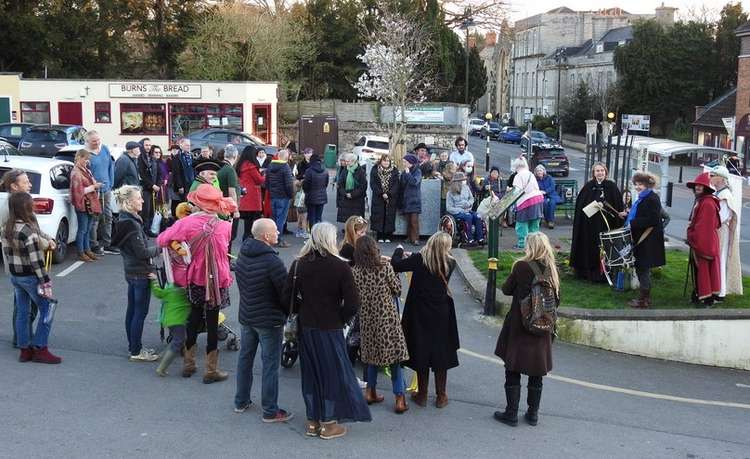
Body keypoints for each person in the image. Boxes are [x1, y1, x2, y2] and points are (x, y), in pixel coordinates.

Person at [281, 222, 371, 440]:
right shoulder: (340, 266)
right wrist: (340, 318)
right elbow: (352, 303)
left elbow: (286, 299)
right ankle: (329, 423)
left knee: (311, 374)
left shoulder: (299, 264)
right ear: (330, 239)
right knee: (332, 374)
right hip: (330, 327)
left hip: (306, 326)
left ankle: (312, 421)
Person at [157, 184, 236, 383]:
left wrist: (179, 247)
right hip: (218, 279)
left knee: (193, 316)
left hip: (196, 278)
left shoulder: (186, 224)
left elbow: (162, 240)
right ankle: (211, 370)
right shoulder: (226, 226)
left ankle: (189, 364)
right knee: (212, 321)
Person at [494, 232, 558, 427]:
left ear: (530, 247)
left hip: (519, 326)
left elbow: (506, 289)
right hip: (542, 325)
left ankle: (511, 413)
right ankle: (532, 414)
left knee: (512, 368)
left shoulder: (521, 266)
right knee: (536, 372)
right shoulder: (551, 270)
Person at [233, 218, 294, 422]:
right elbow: (285, 293)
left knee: (245, 359)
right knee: (270, 365)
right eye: (276, 230)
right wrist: (287, 314)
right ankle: (270, 410)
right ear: (266, 236)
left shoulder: (243, 253)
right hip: (269, 320)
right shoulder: (272, 261)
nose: (278, 233)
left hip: (247, 315)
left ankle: (241, 400)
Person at [391, 232, 459, 409]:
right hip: (442, 312)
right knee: (440, 352)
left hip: (419, 312)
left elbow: (396, 265)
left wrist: (399, 251)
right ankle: (441, 395)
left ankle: (422, 394)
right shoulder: (450, 262)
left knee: (421, 349)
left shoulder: (420, 259)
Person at [1, 192, 61, 364]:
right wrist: (46, 281)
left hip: (16, 276)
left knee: (22, 312)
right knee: (48, 308)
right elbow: (36, 262)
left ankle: (24, 349)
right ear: (26, 208)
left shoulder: (7, 228)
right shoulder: (28, 232)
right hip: (31, 277)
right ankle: (40, 348)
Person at [352, 236, 409, 414]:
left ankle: (370, 392)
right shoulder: (384, 267)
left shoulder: (355, 271)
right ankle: (399, 398)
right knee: (394, 358)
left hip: (367, 318)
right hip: (387, 318)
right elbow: (397, 289)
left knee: (370, 356)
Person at [110, 185, 160, 362]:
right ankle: (136, 350)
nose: (143, 201)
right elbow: (142, 252)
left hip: (130, 271)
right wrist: (162, 247)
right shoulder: (131, 223)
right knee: (139, 312)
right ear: (129, 202)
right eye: (139, 198)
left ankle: (134, 346)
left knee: (132, 311)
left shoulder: (124, 220)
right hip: (140, 273)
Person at [1, 170, 38, 349]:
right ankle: (22, 339)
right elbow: (8, 234)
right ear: (14, 186)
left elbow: (34, 228)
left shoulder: (23, 202)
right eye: (25, 182)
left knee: (26, 303)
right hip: (21, 264)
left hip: (27, 262)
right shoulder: (8, 206)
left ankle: (23, 337)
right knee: (26, 304)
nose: (30, 184)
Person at [569, 162, 624, 281]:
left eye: (602, 171)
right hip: (590, 226)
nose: (600, 173)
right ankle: (589, 273)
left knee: (605, 249)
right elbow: (581, 207)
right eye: (597, 171)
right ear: (593, 173)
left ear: (606, 172)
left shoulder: (612, 187)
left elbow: (618, 206)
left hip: (606, 225)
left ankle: (606, 273)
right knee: (591, 247)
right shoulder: (588, 187)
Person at [623, 172, 665, 308]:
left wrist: (633, 223)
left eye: (640, 184)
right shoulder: (643, 198)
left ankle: (644, 300)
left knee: (643, 268)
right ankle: (644, 298)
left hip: (647, 240)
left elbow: (653, 219)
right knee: (641, 268)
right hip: (642, 239)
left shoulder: (651, 198)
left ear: (647, 185)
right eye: (636, 184)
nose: (637, 187)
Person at [686, 172, 721, 307]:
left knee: (704, 271)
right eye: (696, 186)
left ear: (706, 188)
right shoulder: (703, 201)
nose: (697, 188)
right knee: (702, 271)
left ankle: (706, 298)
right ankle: (699, 294)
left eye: (700, 186)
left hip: (704, 242)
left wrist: (691, 236)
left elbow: (703, 227)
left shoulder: (707, 203)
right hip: (704, 241)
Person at [710, 166, 743, 299]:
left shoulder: (725, 195)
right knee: (716, 259)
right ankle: (715, 288)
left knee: (721, 259)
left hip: (721, 230)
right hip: (716, 229)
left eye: (713, 175)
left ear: (721, 179)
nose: (711, 177)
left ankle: (721, 291)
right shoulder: (718, 193)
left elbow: (722, 216)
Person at [84, 131, 115, 256]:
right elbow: (85, 174)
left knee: (108, 216)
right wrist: (92, 186)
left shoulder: (105, 149)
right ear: (88, 141)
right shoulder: (86, 154)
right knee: (95, 218)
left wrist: (111, 183)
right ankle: (94, 244)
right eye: (93, 141)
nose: (97, 143)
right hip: (94, 191)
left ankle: (107, 243)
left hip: (106, 189)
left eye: (98, 140)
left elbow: (110, 167)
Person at [69, 149, 102, 262]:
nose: (87, 161)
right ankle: (81, 252)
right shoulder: (76, 172)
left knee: (87, 229)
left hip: (89, 203)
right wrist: (93, 187)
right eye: (85, 159)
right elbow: (78, 191)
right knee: (82, 229)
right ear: (79, 158)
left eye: (88, 159)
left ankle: (87, 250)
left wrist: (95, 184)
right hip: (82, 203)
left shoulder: (85, 170)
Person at [511, 158, 543, 249]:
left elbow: (517, 191)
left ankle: (522, 244)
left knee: (522, 223)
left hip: (526, 201)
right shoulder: (531, 174)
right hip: (538, 199)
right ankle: (534, 245)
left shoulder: (518, 176)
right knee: (534, 225)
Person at [446, 172, 484, 246]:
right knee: (468, 216)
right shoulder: (450, 193)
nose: (464, 181)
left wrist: (469, 204)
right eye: (462, 180)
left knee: (478, 216)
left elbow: (471, 198)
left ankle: (480, 238)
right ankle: (469, 239)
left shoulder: (466, 188)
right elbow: (449, 207)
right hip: (457, 212)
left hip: (468, 209)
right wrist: (460, 210)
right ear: (457, 181)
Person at [267, 149, 295, 248]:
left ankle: (272, 238)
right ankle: (278, 239)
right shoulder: (285, 167)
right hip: (283, 197)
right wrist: (291, 195)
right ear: (286, 158)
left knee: (274, 218)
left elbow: (267, 182)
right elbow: (289, 184)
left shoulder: (270, 166)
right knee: (281, 219)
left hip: (273, 196)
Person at [236, 146, 265, 241]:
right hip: (252, 195)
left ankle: (246, 238)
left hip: (245, 194)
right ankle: (249, 240)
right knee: (252, 220)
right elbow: (259, 180)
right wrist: (264, 175)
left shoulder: (241, 165)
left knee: (247, 221)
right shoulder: (251, 166)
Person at [370, 154, 400, 242]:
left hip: (391, 198)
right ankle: (379, 235)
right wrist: (381, 193)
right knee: (379, 216)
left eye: (388, 161)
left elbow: (396, 184)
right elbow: (373, 183)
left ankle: (388, 236)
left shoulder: (394, 170)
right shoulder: (375, 169)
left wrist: (389, 194)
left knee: (389, 216)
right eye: (384, 160)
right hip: (378, 197)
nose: (386, 162)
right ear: (381, 161)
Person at [217, 145, 241, 254]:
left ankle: (225, 258)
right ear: (235, 156)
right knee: (230, 236)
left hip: (220, 205)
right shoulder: (230, 170)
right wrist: (235, 210)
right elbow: (232, 191)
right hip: (228, 207)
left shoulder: (219, 167)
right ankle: (227, 259)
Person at [336, 153, 367, 223]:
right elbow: (340, 184)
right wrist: (345, 193)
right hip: (346, 199)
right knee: (347, 220)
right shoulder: (345, 170)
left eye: (348, 161)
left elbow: (363, 187)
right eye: (346, 161)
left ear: (354, 161)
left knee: (356, 220)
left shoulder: (361, 171)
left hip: (357, 200)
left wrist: (352, 194)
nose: (346, 163)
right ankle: (348, 231)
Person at [138, 139, 160, 235]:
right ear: (142, 146)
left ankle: (149, 229)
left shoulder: (152, 158)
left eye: (149, 145)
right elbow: (142, 174)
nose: (148, 147)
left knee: (152, 210)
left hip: (154, 188)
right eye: (146, 145)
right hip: (146, 188)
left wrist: (158, 185)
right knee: (145, 211)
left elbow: (158, 173)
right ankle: (144, 231)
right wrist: (152, 185)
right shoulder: (140, 158)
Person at [400, 154, 422, 246]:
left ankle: (416, 239)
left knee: (414, 221)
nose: (404, 163)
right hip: (407, 199)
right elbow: (403, 184)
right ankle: (409, 237)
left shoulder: (418, 171)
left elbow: (414, 182)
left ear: (410, 163)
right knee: (408, 220)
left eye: (405, 162)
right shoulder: (405, 171)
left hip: (415, 199)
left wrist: (408, 173)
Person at [169, 137, 195, 217]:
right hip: (183, 185)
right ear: (181, 145)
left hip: (191, 184)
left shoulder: (191, 156)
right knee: (183, 204)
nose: (189, 147)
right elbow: (176, 173)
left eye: (189, 145)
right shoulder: (177, 157)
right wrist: (180, 186)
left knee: (191, 203)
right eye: (187, 145)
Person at [302, 153, 329, 228]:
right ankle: (319, 234)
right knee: (319, 217)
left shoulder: (309, 171)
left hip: (311, 196)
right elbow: (326, 184)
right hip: (322, 196)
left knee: (311, 217)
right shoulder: (325, 170)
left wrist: (306, 191)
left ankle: (312, 234)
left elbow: (306, 185)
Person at [293, 148, 314, 238]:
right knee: (301, 211)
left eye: (309, 153)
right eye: (306, 153)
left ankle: (306, 229)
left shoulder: (314, 163)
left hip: (311, 189)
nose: (308, 155)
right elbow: (297, 175)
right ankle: (300, 228)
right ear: (304, 154)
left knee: (308, 211)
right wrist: (303, 177)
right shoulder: (300, 164)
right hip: (301, 188)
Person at [534, 165, 561, 229]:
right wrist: (540, 192)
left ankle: (551, 221)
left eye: (540, 170)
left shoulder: (549, 177)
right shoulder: (535, 180)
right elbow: (535, 188)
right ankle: (547, 220)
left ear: (543, 171)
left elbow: (552, 187)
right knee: (544, 203)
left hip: (551, 195)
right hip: (542, 196)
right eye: (538, 171)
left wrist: (545, 191)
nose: (539, 172)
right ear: (536, 172)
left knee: (552, 203)